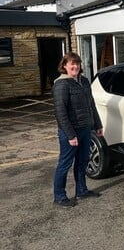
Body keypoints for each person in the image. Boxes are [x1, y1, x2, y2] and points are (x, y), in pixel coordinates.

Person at [52, 52, 103, 208]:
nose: (75, 66)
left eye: (77, 63)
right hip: (70, 132)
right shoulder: (61, 84)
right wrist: (70, 135)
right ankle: (59, 196)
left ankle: (81, 190)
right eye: (71, 64)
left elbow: (91, 104)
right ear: (65, 66)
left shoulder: (84, 81)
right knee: (65, 164)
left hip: (85, 128)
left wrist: (97, 124)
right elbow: (60, 112)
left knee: (82, 161)